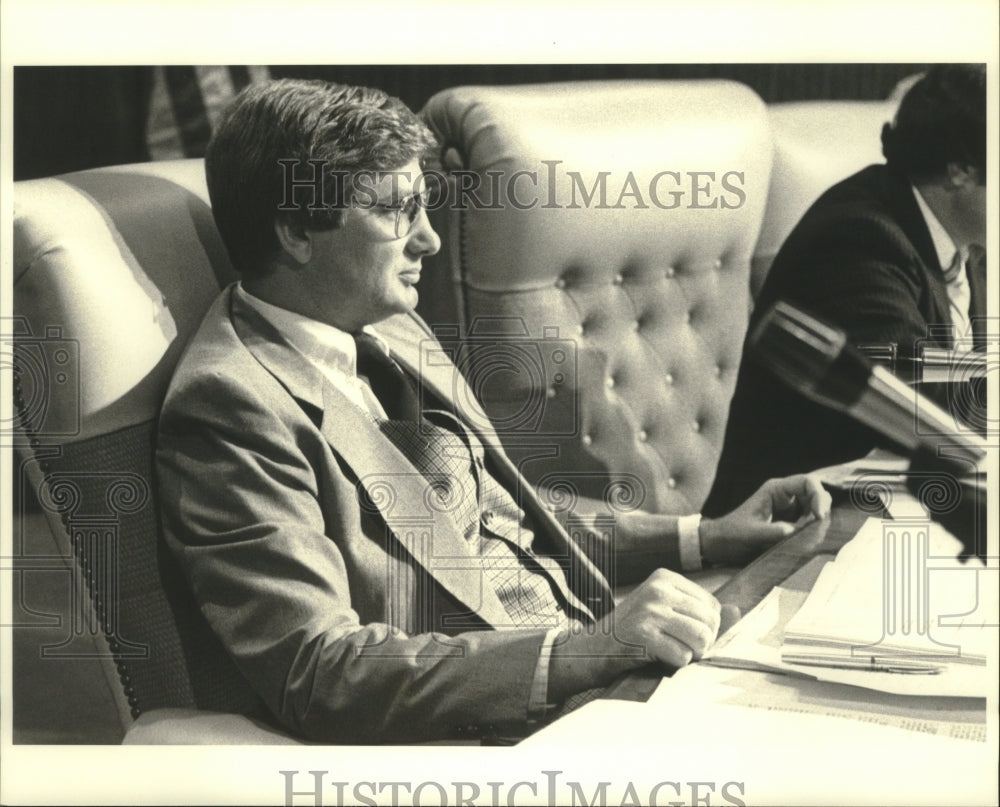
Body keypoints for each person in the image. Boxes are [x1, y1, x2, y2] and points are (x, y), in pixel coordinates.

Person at [156, 78, 829, 744]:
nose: (430, 241)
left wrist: (703, 537)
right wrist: (587, 651)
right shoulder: (229, 407)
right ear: (298, 230)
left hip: (612, 690)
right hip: (502, 742)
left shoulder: (386, 323)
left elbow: (500, 512)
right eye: (397, 212)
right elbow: (322, 673)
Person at [705, 64, 987, 516]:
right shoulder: (860, 236)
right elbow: (925, 403)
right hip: (790, 531)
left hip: (907, 505)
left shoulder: (968, 237)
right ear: (960, 172)